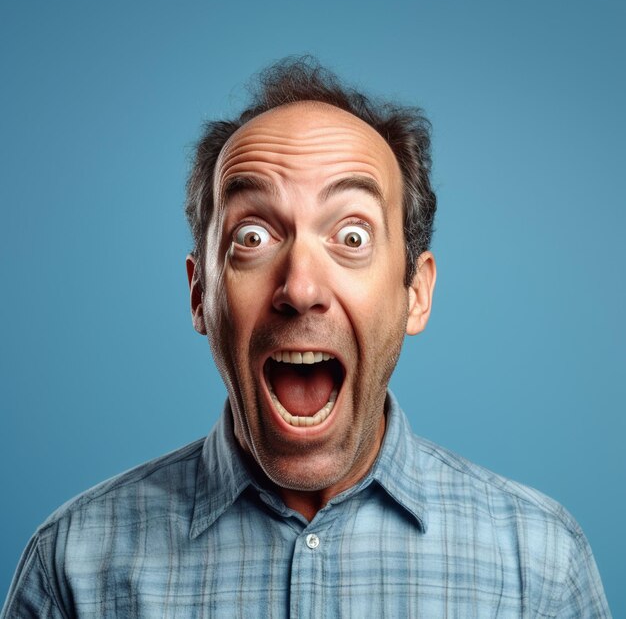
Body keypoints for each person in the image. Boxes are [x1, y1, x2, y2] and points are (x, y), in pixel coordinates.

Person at [2, 58, 611, 618]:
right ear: (200, 295)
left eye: (351, 236)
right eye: (253, 237)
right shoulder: (73, 567)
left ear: (415, 293)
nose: (300, 287)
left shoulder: (540, 567)